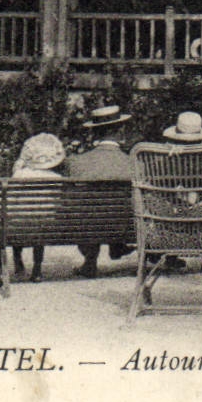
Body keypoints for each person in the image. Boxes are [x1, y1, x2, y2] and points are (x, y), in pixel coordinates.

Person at [66, 105, 136, 277]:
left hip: (89, 228)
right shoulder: (133, 163)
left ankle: (90, 261)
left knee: (87, 210)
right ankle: (117, 247)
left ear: (94, 133)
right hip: (123, 228)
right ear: (120, 131)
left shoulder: (75, 162)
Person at [9, 132, 66, 281]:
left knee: (18, 215)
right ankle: (37, 268)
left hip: (20, 225)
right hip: (47, 226)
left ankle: (17, 257)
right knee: (42, 219)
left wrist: (17, 168)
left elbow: (12, 201)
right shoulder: (57, 179)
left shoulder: (19, 176)